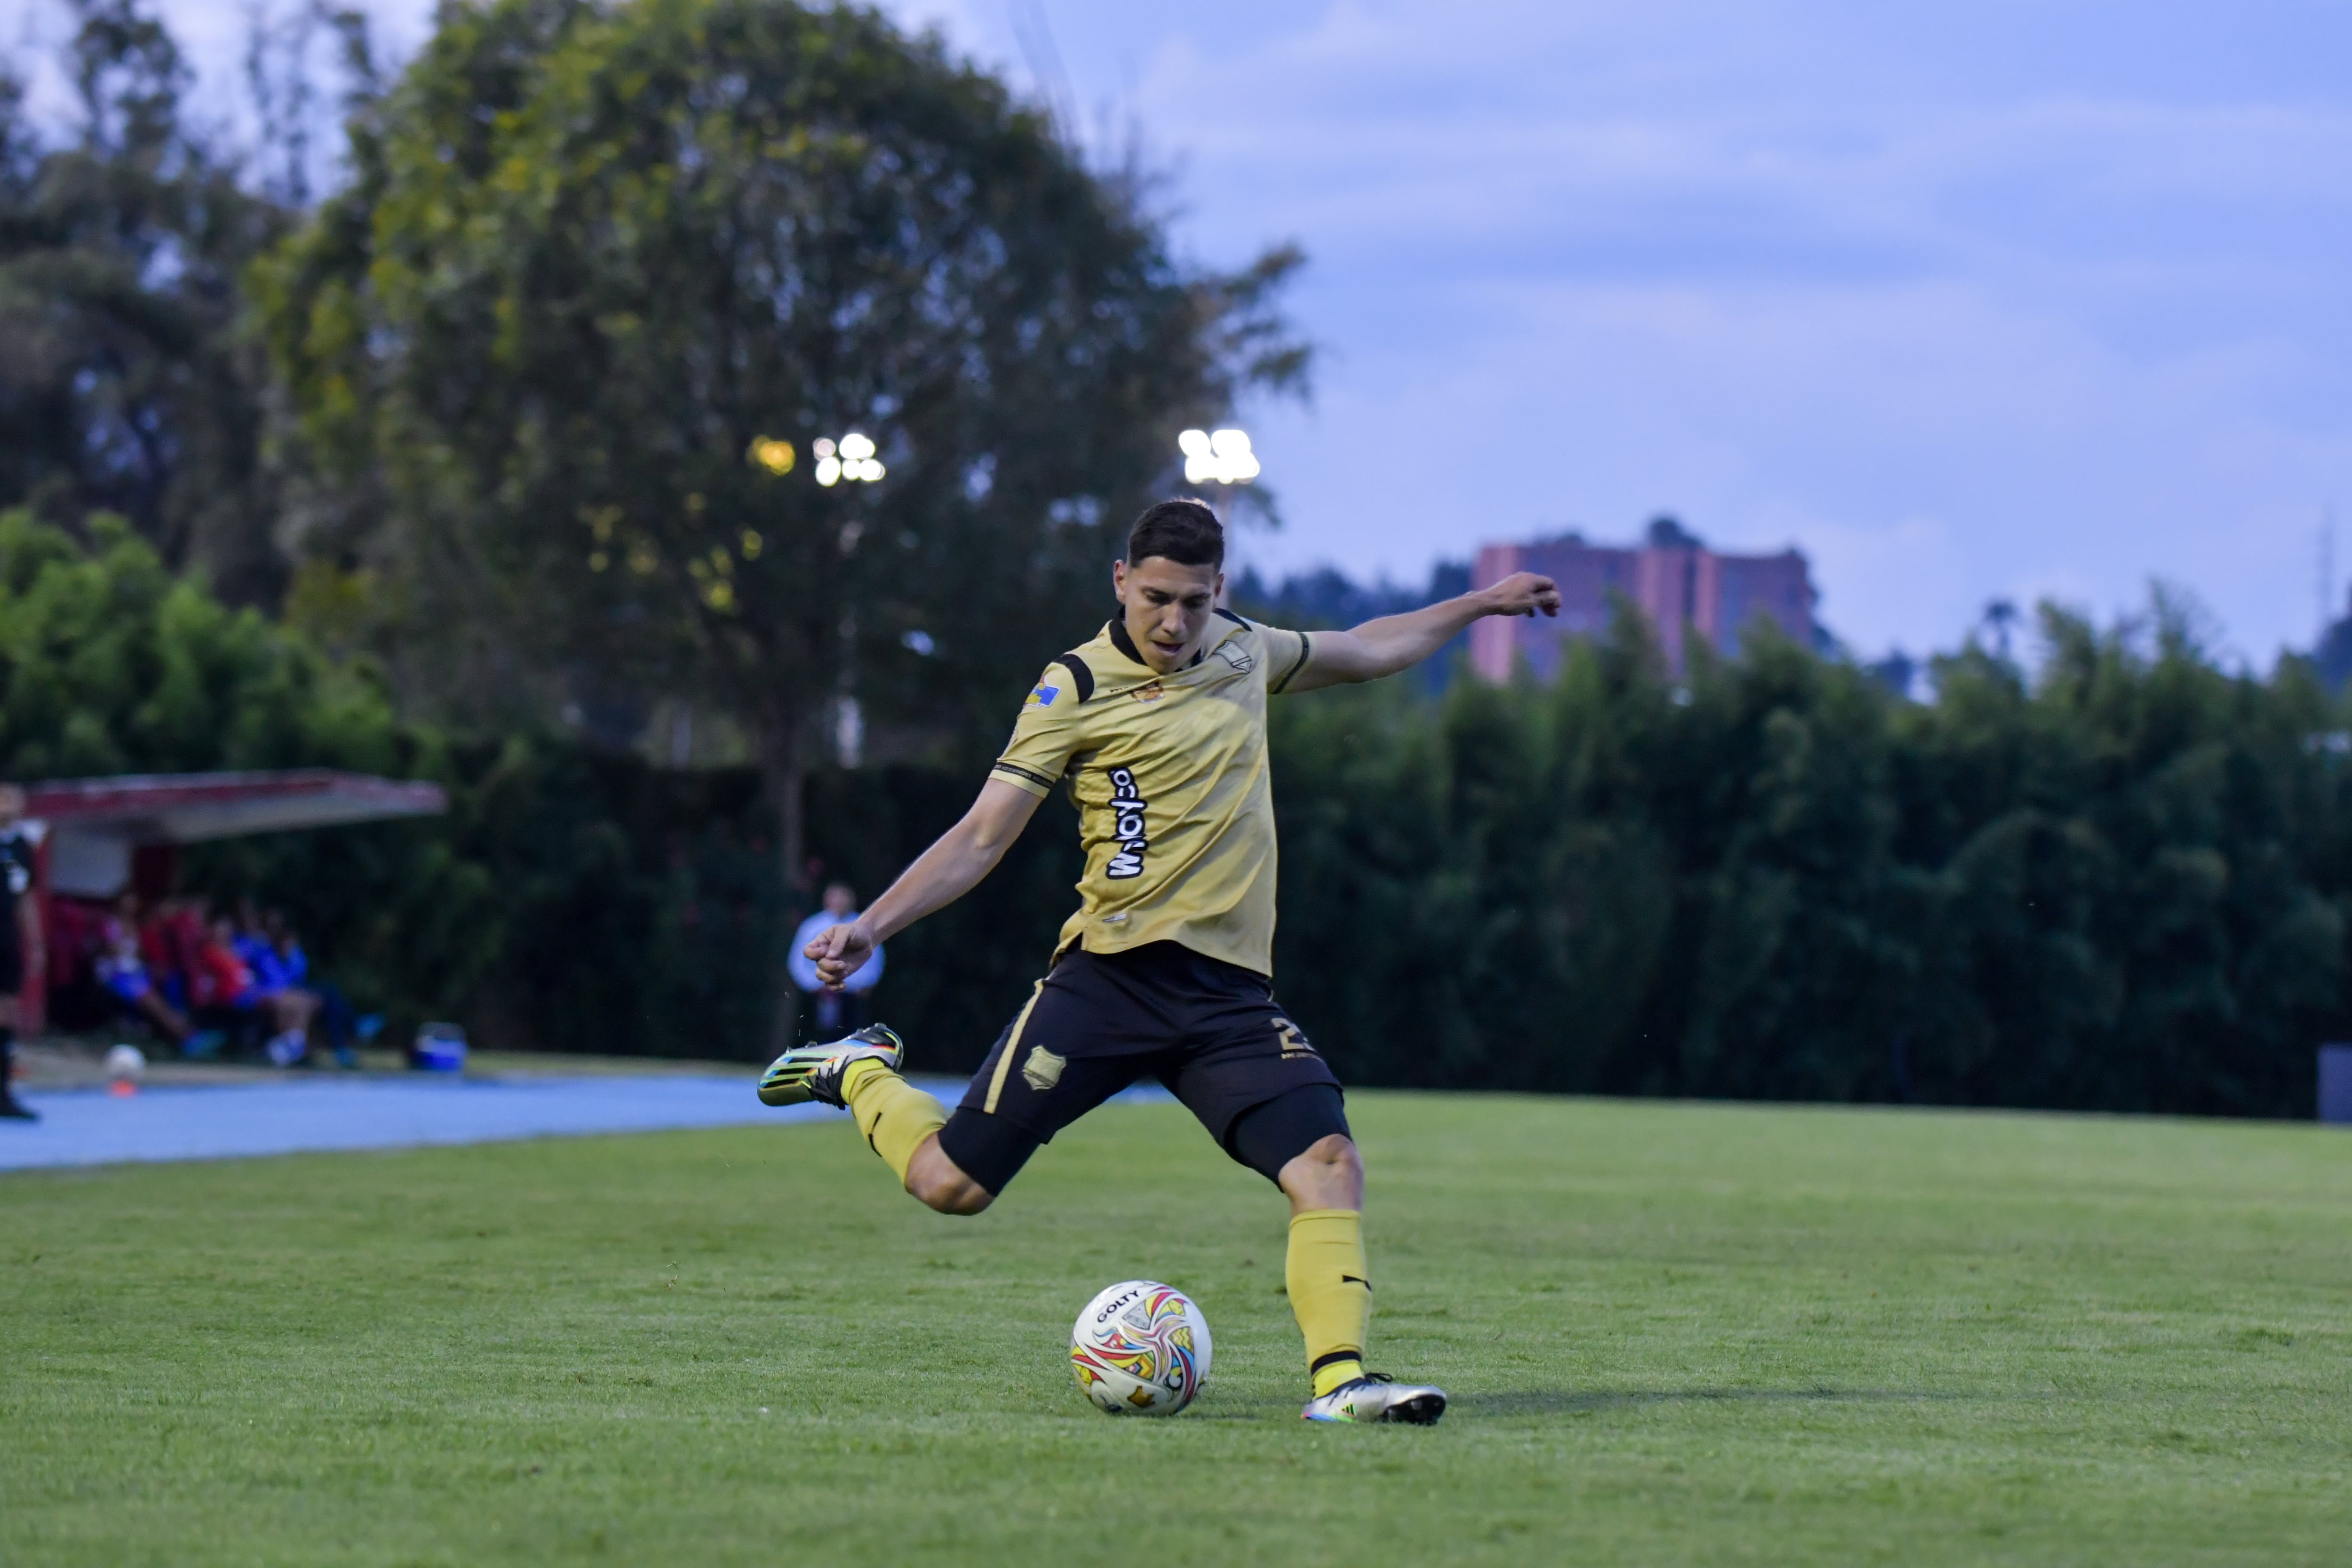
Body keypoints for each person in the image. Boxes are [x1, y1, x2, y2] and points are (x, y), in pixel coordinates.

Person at [759, 497, 1559, 1425]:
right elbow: (982, 835)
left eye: (1191, 600)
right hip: (1108, 982)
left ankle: (1341, 1383)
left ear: (1218, 590)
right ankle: (859, 1070)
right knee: (949, 1184)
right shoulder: (1073, 688)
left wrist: (1481, 601)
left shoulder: (1243, 648)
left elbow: (1368, 646)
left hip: (1227, 1003)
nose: (1173, 622)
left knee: (1329, 1162)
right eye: (1154, 599)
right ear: (1118, 582)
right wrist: (872, 925)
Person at [787, 882, 884, 1037]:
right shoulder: (812, 926)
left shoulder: (861, 925)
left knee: (852, 1035)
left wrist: (865, 984)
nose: (839, 902)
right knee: (820, 1035)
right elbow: (798, 961)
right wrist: (813, 985)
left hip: (852, 994)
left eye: (843, 898)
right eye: (835, 898)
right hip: (819, 993)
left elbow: (874, 958)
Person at [0, 784, 43, 1120]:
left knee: (7, 1015)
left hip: (7, 940)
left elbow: (27, 899)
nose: (10, 804)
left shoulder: (21, 847)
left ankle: (4, 1095)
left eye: (15, 799)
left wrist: (36, 942)